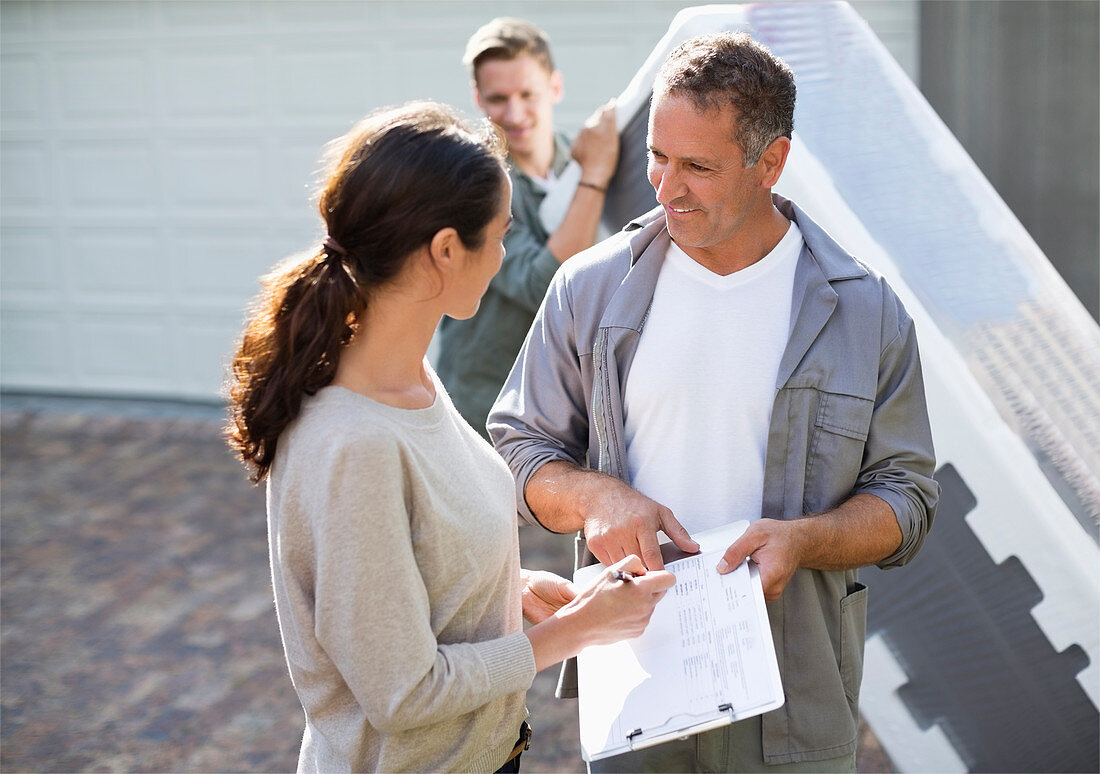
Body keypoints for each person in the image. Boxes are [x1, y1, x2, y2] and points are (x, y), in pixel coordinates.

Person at [489, 32, 940, 773]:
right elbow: (513, 452)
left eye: (697, 166)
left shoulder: (868, 312)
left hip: (794, 700)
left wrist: (805, 542)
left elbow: (909, 500)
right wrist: (597, 498)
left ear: (772, 163)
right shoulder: (588, 289)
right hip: (634, 684)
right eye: (657, 159)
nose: (667, 190)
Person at [224, 101, 674, 774]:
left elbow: (405, 573)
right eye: (497, 235)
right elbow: (404, 692)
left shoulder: (417, 382)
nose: (501, 256)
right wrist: (579, 630)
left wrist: (505, 592)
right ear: (443, 251)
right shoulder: (355, 445)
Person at [436, 17, 620, 438]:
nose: (515, 114)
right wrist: (594, 178)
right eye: (499, 98)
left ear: (555, 87)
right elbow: (544, 286)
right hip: (482, 407)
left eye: (527, 94)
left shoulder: (577, 161)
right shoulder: (475, 183)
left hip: (558, 405)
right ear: (478, 98)